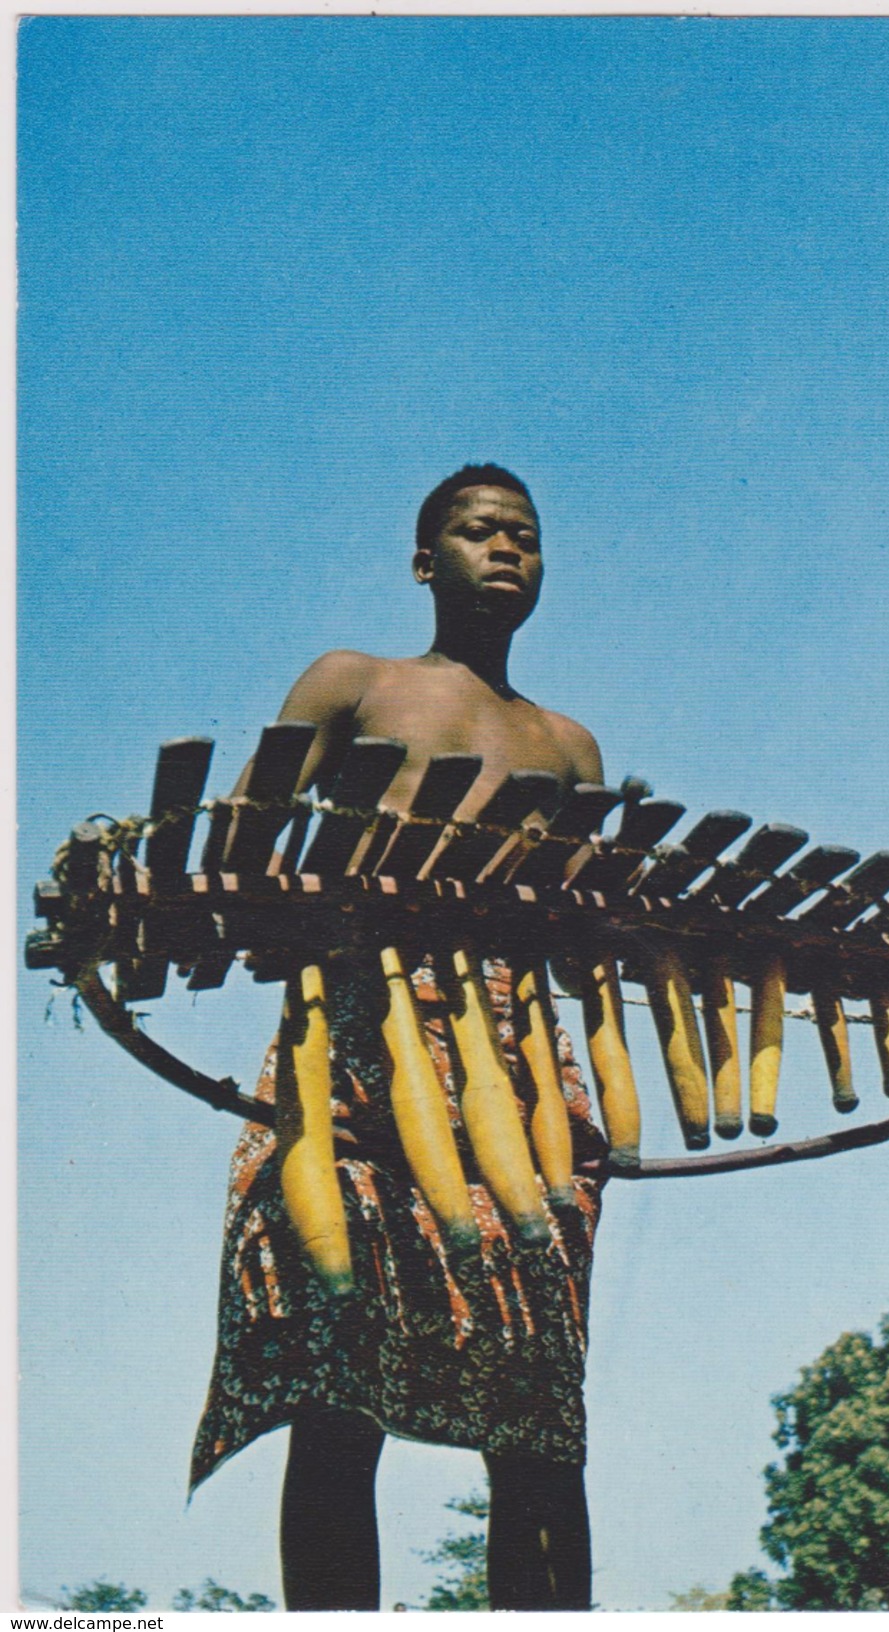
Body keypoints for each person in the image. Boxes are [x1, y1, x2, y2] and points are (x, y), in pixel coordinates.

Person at [190, 465, 609, 1611]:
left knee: (538, 1398)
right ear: (426, 563)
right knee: (338, 1384)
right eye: (476, 533)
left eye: (523, 534)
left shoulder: (569, 747)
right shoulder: (352, 683)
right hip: (362, 1053)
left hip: (518, 1077)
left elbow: (576, 947)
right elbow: (246, 856)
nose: (504, 549)